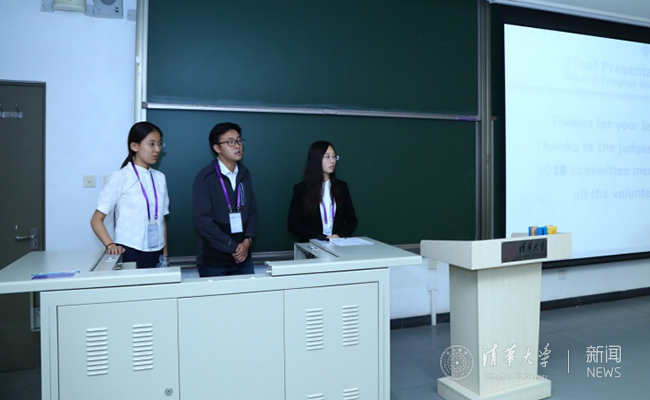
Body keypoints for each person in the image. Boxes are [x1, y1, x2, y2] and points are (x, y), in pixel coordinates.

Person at [91, 122, 170, 268]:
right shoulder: (120, 177)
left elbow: (162, 219)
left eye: (159, 144)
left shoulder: (160, 178)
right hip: (130, 250)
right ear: (134, 146)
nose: (157, 149)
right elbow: (96, 220)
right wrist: (110, 245)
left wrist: (165, 255)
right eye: (151, 144)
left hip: (157, 250)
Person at [192, 122, 257, 277]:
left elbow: (252, 211)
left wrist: (247, 241)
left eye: (239, 140)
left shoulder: (245, 174)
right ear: (217, 148)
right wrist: (232, 247)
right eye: (231, 142)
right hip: (214, 261)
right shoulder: (205, 178)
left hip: (244, 257)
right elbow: (203, 221)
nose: (237, 146)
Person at [288, 140, 358, 242]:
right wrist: (319, 237)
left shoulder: (342, 186)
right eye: (327, 157)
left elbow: (352, 220)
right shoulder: (302, 189)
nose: (332, 161)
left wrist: (339, 235)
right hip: (312, 245)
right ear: (316, 159)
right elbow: (293, 224)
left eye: (334, 156)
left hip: (338, 245)